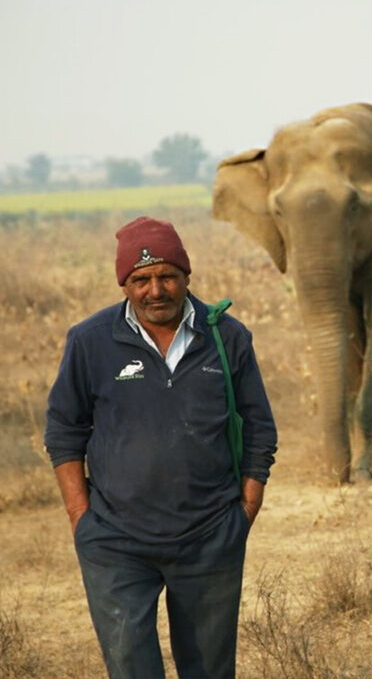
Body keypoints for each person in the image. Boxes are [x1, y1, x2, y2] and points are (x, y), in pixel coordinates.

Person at [44, 216, 277, 679]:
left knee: (209, 671)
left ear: (186, 275)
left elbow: (259, 430)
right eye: (141, 280)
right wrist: (80, 517)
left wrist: (244, 512)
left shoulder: (226, 336)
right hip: (115, 540)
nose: (156, 290)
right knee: (132, 668)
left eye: (167, 276)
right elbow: (64, 430)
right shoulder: (90, 341)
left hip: (210, 536)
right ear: (124, 285)